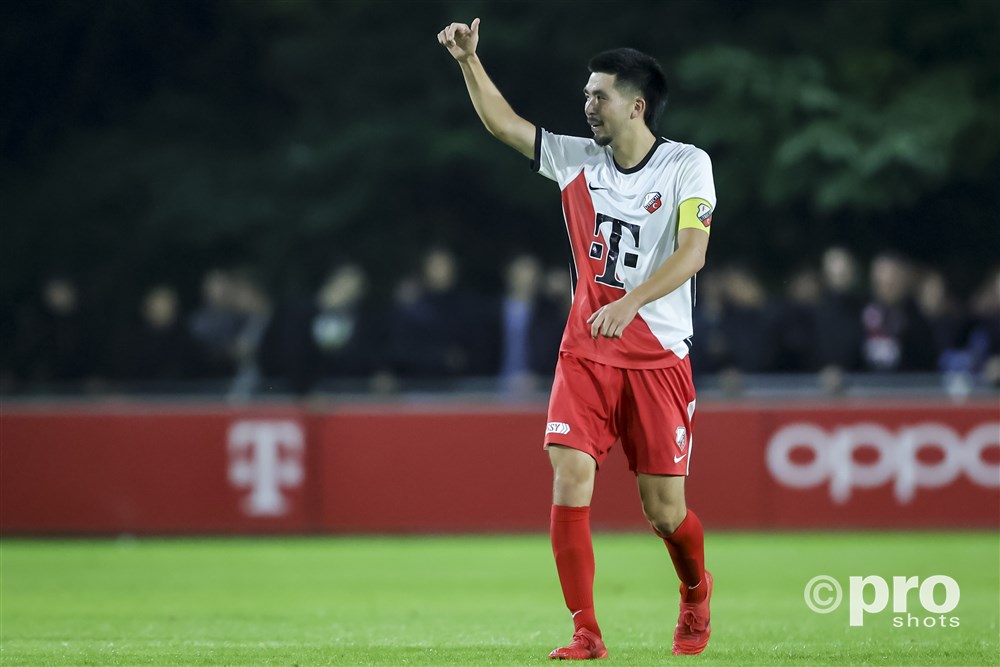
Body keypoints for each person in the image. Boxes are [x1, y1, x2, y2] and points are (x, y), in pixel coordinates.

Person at [439, 19, 715, 659]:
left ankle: (696, 590)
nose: (587, 105)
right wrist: (468, 61)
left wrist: (633, 301)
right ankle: (585, 632)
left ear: (636, 105)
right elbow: (505, 124)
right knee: (569, 477)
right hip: (587, 350)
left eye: (600, 96)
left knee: (664, 512)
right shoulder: (575, 160)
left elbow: (694, 253)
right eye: (586, 95)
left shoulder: (686, 165)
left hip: (657, 359)